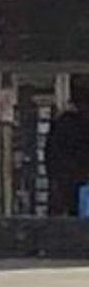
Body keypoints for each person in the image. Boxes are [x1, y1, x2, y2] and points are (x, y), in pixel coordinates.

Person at [46, 84, 89, 217]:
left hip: (72, 180)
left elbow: (53, 157)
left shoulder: (65, 123)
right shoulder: (66, 124)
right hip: (73, 180)